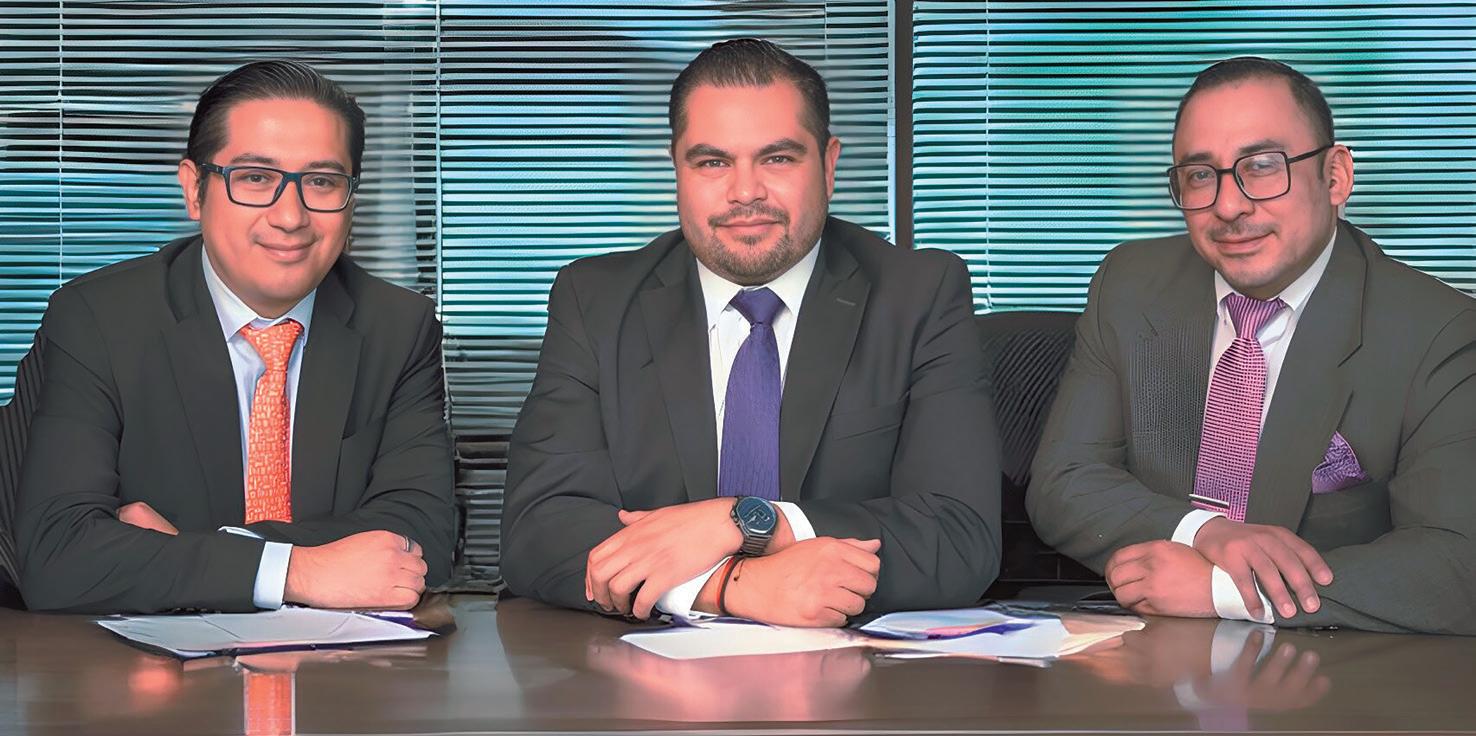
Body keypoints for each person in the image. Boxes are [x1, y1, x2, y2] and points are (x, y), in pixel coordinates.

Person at [501, 38, 1001, 626]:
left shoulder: (918, 294)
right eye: (712, 162)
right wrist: (729, 586)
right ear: (677, 169)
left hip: (851, 670)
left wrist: (747, 520)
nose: (745, 193)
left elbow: (959, 535)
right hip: (646, 673)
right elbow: (539, 528)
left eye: (778, 158)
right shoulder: (596, 301)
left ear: (829, 165)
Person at [1027, 57, 1476, 634]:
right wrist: (1202, 531)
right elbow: (1065, 479)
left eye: (1262, 166)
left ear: (1336, 176)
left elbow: (1458, 562)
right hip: (1143, 648)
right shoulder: (1131, 285)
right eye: (1199, 174)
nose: (1229, 206)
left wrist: (1226, 589)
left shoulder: (1439, 331)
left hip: (1329, 667)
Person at [16, 60, 456, 614]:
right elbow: (56, 555)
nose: (290, 216)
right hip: (140, 664)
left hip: (340, 662)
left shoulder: (398, 326)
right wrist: (298, 571)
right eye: (255, 178)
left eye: (321, 182)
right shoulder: (98, 319)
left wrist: (192, 554)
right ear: (194, 190)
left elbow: (422, 538)